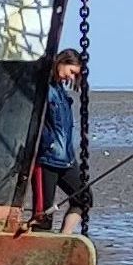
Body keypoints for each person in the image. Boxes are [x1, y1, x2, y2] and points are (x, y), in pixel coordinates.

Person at [33, 49, 91, 232]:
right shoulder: (45, 89)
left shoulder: (60, 92)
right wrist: (46, 143)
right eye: (71, 72)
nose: (70, 78)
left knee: (85, 198)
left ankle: (64, 237)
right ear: (62, 61)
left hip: (66, 160)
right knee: (42, 216)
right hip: (47, 160)